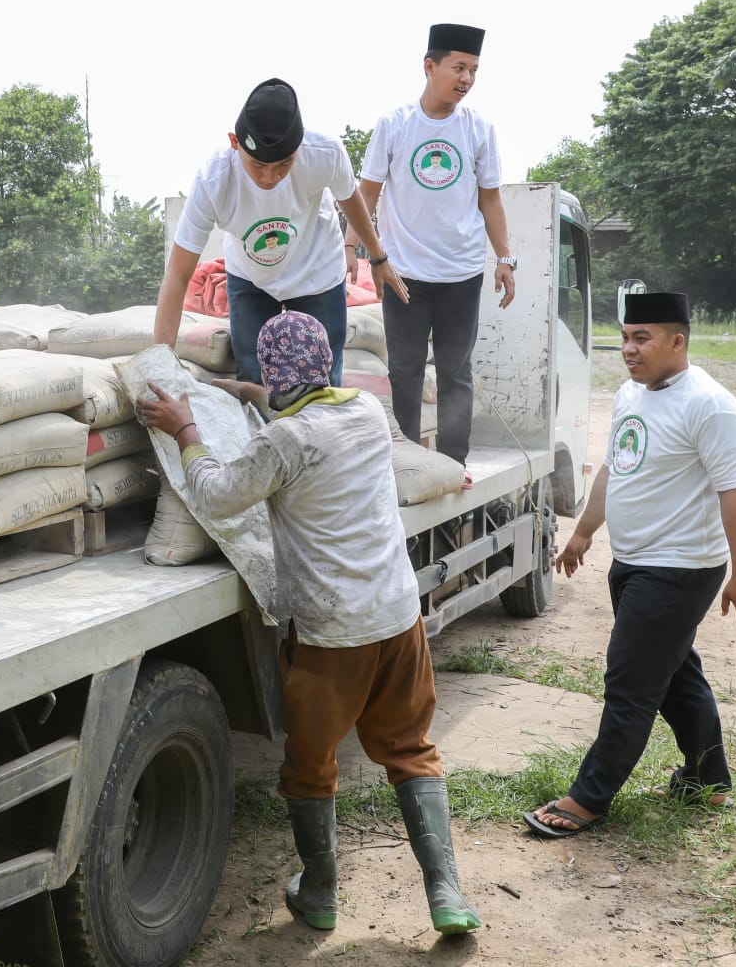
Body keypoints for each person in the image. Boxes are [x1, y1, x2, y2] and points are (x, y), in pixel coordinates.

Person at [136, 310, 480, 936]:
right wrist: (244, 392)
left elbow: (215, 494)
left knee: (311, 763)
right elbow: (296, 400)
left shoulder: (283, 443)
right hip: (398, 617)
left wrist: (186, 427)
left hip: (332, 636)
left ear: (275, 374)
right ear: (327, 364)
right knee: (411, 750)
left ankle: (320, 892)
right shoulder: (367, 413)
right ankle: (447, 892)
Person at [526, 292, 736, 836]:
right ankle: (708, 780)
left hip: (679, 570)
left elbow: (735, 494)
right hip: (634, 563)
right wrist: (583, 532)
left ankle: (588, 798)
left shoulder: (710, 405)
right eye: (624, 338)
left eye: (642, 338)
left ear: (677, 341)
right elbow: (616, 468)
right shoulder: (629, 394)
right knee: (676, 675)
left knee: (630, 682)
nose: (628, 349)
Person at [153, 78, 405, 388]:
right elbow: (178, 276)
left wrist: (378, 258)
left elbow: (350, 199)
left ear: (300, 147)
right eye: (258, 165)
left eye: (284, 164)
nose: (270, 176)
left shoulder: (324, 154)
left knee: (322, 381)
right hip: (250, 278)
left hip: (318, 271)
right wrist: (161, 365)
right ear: (235, 143)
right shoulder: (213, 180)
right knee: (253, 376)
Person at [348, 23, 515, 484]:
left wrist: (504, 258)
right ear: (429, 66)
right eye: (458, 68)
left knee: (455, 373)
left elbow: (491, 199)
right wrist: (350, 245)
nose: (467, 79)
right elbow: (366, 192)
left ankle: (454, 465)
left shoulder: (478, 128)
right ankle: (406, 463)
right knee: (404, 371)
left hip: (461, 272)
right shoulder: (395, 125)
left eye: (474, 70)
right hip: (402, 273)